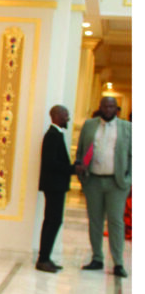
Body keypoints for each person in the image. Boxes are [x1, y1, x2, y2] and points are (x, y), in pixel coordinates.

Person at [75, 95, 132, 277]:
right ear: (100, 107)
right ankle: (97, 258)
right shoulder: (89, 125)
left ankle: (118, 262)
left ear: (116, 109)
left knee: (116, 222)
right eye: (105, 106)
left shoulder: (127, 128)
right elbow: (81, 151)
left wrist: (129, 178)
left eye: (111, 106)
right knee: (95, 220)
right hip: (93, 181)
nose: (108, 109)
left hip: (116, 183)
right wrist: (81, 172)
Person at [36, 105, 74, 272]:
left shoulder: (56, 134)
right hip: (54, 186)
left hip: (56, 186)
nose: (68, 119)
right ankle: (43, 258)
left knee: (53, 221)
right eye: (66, 115)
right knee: (52, 221)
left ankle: (45, 257)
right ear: (57, 116)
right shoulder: (52, 135)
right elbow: (51, 163)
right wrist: (73, 169)